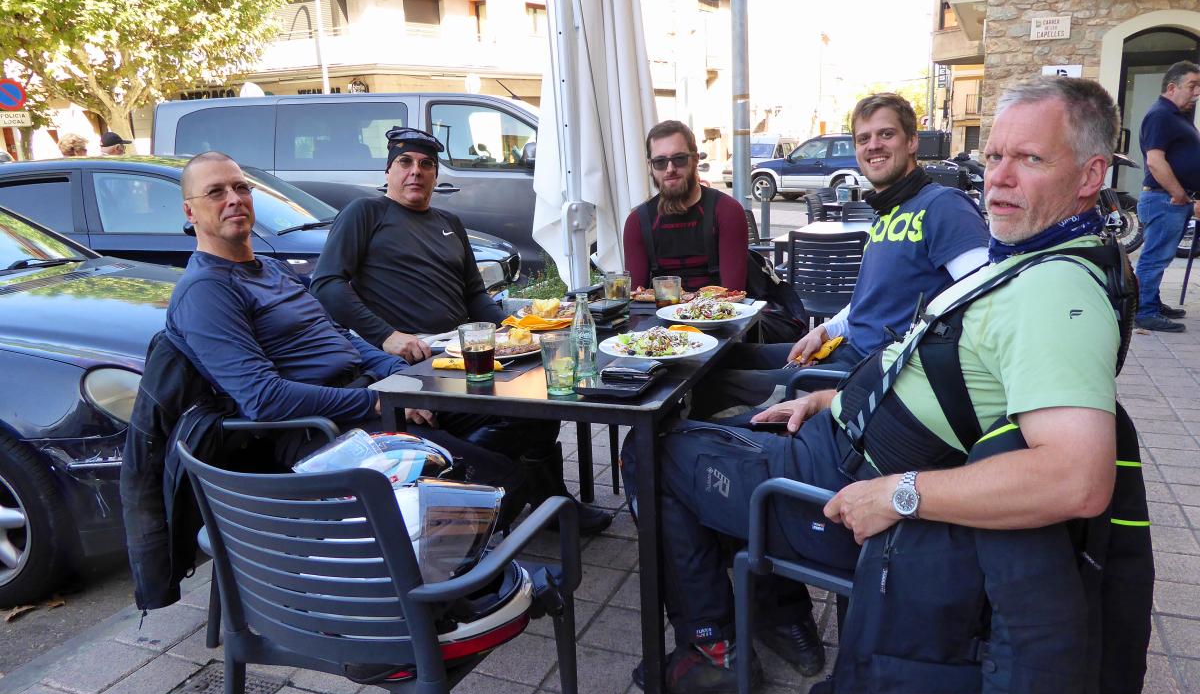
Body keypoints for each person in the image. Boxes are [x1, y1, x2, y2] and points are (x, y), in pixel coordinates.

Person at [624, 76, 1119, 694]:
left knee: (652, 450)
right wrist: (830, 398)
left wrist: (901, 495)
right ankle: (777, 615)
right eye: (995, 156)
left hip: (847, 490)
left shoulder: (1056, 292)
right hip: (842, 433)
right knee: (717, 422)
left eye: (1030, 158)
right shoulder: (1023, 264)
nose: (998, 178)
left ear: (1089, 175)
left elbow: (1078, 480)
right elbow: (930, 354)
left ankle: (710, 648)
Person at [165, 151, 523, 496]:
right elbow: (263, 398)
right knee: (502, 479)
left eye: (241, 188)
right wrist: (376, 401)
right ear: (189, 211)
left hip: (373, 397)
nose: (234, 199)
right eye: (216, 192)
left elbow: (341, 336)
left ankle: (462, 508)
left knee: (519, 415)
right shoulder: (205, 290)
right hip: (327, 431)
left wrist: (403, 381)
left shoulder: (272, 268)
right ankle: (466, 508)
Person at [311, 127, 612, 534]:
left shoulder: (449, 222)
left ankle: (535, 500)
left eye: (426, 165)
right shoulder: (365, 213)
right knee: (516, 414)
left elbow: (474, 294)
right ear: (389, 171)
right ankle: (483, 496)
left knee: (544, 397)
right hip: (410, 360)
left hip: (464, 351)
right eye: (405, 162)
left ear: (436, 175)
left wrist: (514, 329)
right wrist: (387, 336)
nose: (416, 171)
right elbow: (327, 284)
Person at [691, 93, 989, 418]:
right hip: (842, 349)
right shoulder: (888, 213)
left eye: (886, 134)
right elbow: (867, 302)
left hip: (865, 376)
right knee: (721, 357)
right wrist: (825, 330)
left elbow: (986, 304)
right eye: (863, 138)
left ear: (912, 141)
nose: (873, 145)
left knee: (711, 386)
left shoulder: (943, 205)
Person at [622, 119, 749, 293]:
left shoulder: (726, 212)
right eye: (660, 162)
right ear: (650, 166)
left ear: (695, 159)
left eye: (679, 159)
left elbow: (733, 295)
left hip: (719, 309)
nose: (670, 169)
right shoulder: (637, 222)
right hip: (659, 310)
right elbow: (635, 296)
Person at [1131, 60, 1200, 332]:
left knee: (1161, 256)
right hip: (1165, 199)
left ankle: (1152, 302)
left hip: (1171, 200)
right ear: (1172, 87)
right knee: (1154, 257)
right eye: (1192, 86)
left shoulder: (1177, 116)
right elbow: (1155, 161)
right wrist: (1179, 193)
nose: (1197, 92)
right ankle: (1143, 311)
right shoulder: (1161, 114)